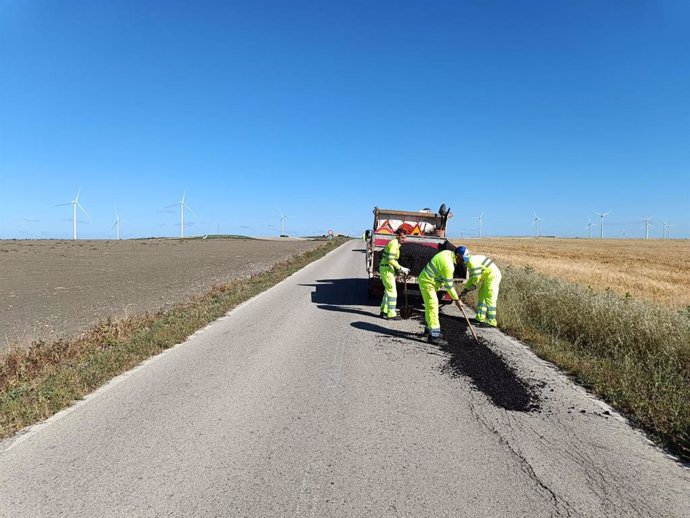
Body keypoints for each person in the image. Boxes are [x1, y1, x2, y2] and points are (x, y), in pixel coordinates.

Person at [418, 246, 466, 345]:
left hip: (429, 281)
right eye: (463, 259)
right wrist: (457, 300)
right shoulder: (448, 265)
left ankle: (429, 330)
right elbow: (449, 285)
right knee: (433, 306)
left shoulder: (448, 253)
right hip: (427, 282)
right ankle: (434, 336)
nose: (464, 262)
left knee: (429, 306)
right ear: (457, 256)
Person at [458, 246, 502, 327]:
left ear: (461, 256)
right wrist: (466, 289)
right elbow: (472, 277)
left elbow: (476, 277)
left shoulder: (472, 262)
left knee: (489, 297)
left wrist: (474, 285)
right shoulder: (469, 262)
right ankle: (480, 317)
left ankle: (492, 321)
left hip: (493, 276)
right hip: (487, 277)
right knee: (482, 296)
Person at [379, 228, 410, 320]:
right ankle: (391, 314)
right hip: (386, 269)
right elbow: (391, 259)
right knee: (392, 292)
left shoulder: (397, 244)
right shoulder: (394, 244)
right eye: (402, 237)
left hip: (388, 268)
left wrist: (398, 268)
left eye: (405, 237)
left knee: (387, 291)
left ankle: (384, 311)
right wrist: (401, 268)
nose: (403, 239)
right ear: (397, 236)